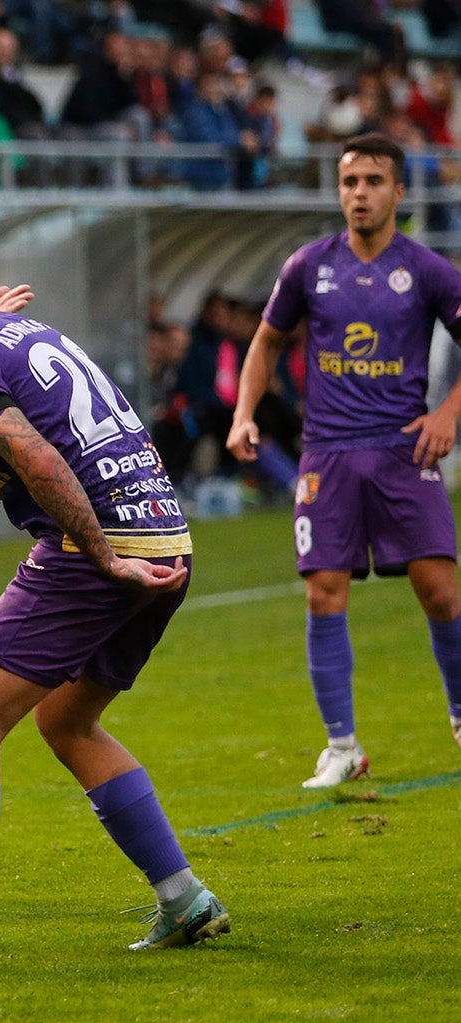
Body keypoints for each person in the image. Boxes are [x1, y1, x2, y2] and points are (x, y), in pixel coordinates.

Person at [0, 216, 227, 973]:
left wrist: (102, 555)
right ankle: (185, 899)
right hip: (166, 531)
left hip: (101, 546)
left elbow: (41, 460)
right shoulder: (6, 334)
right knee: (67, 718)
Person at [227, 132, 461, 788]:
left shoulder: (429, 270)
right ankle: (342, 746)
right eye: (350, 181)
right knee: (323, 591)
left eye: (373, 181)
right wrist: (245, 413)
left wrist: (446, 414)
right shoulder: (309, 265)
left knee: (439, 589)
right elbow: (266, 342)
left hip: (401, 449)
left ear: (399, 191)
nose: (360, 193)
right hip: (325, 455)